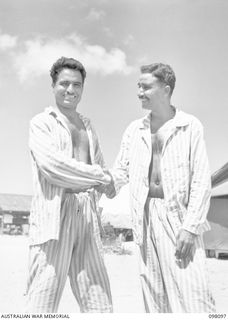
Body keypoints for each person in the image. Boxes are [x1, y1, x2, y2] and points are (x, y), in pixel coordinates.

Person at [104, 63, 216, 312]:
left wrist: (190, 227)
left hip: (178, 217)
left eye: (145, 87)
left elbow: (200, 180)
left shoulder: (190, 126)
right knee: (154, 298)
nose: (139, 92)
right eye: (138, 86)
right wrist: (101, 182)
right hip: (143, 217)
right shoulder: (134, 129)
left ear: (165, 90)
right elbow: (119, 172)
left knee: (194, 296)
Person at [26, 57, 113, 313]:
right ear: (53, 86)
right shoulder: (42, 123)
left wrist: (108, 181)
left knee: (100, 302)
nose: (70, 90)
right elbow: (53, 168)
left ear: (83, 88)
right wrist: (101, 177)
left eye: (77, 85)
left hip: (87, 215)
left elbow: (102, 168)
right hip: (54, 213)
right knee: (42, 302)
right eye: (64, 83)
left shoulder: (88, 127)